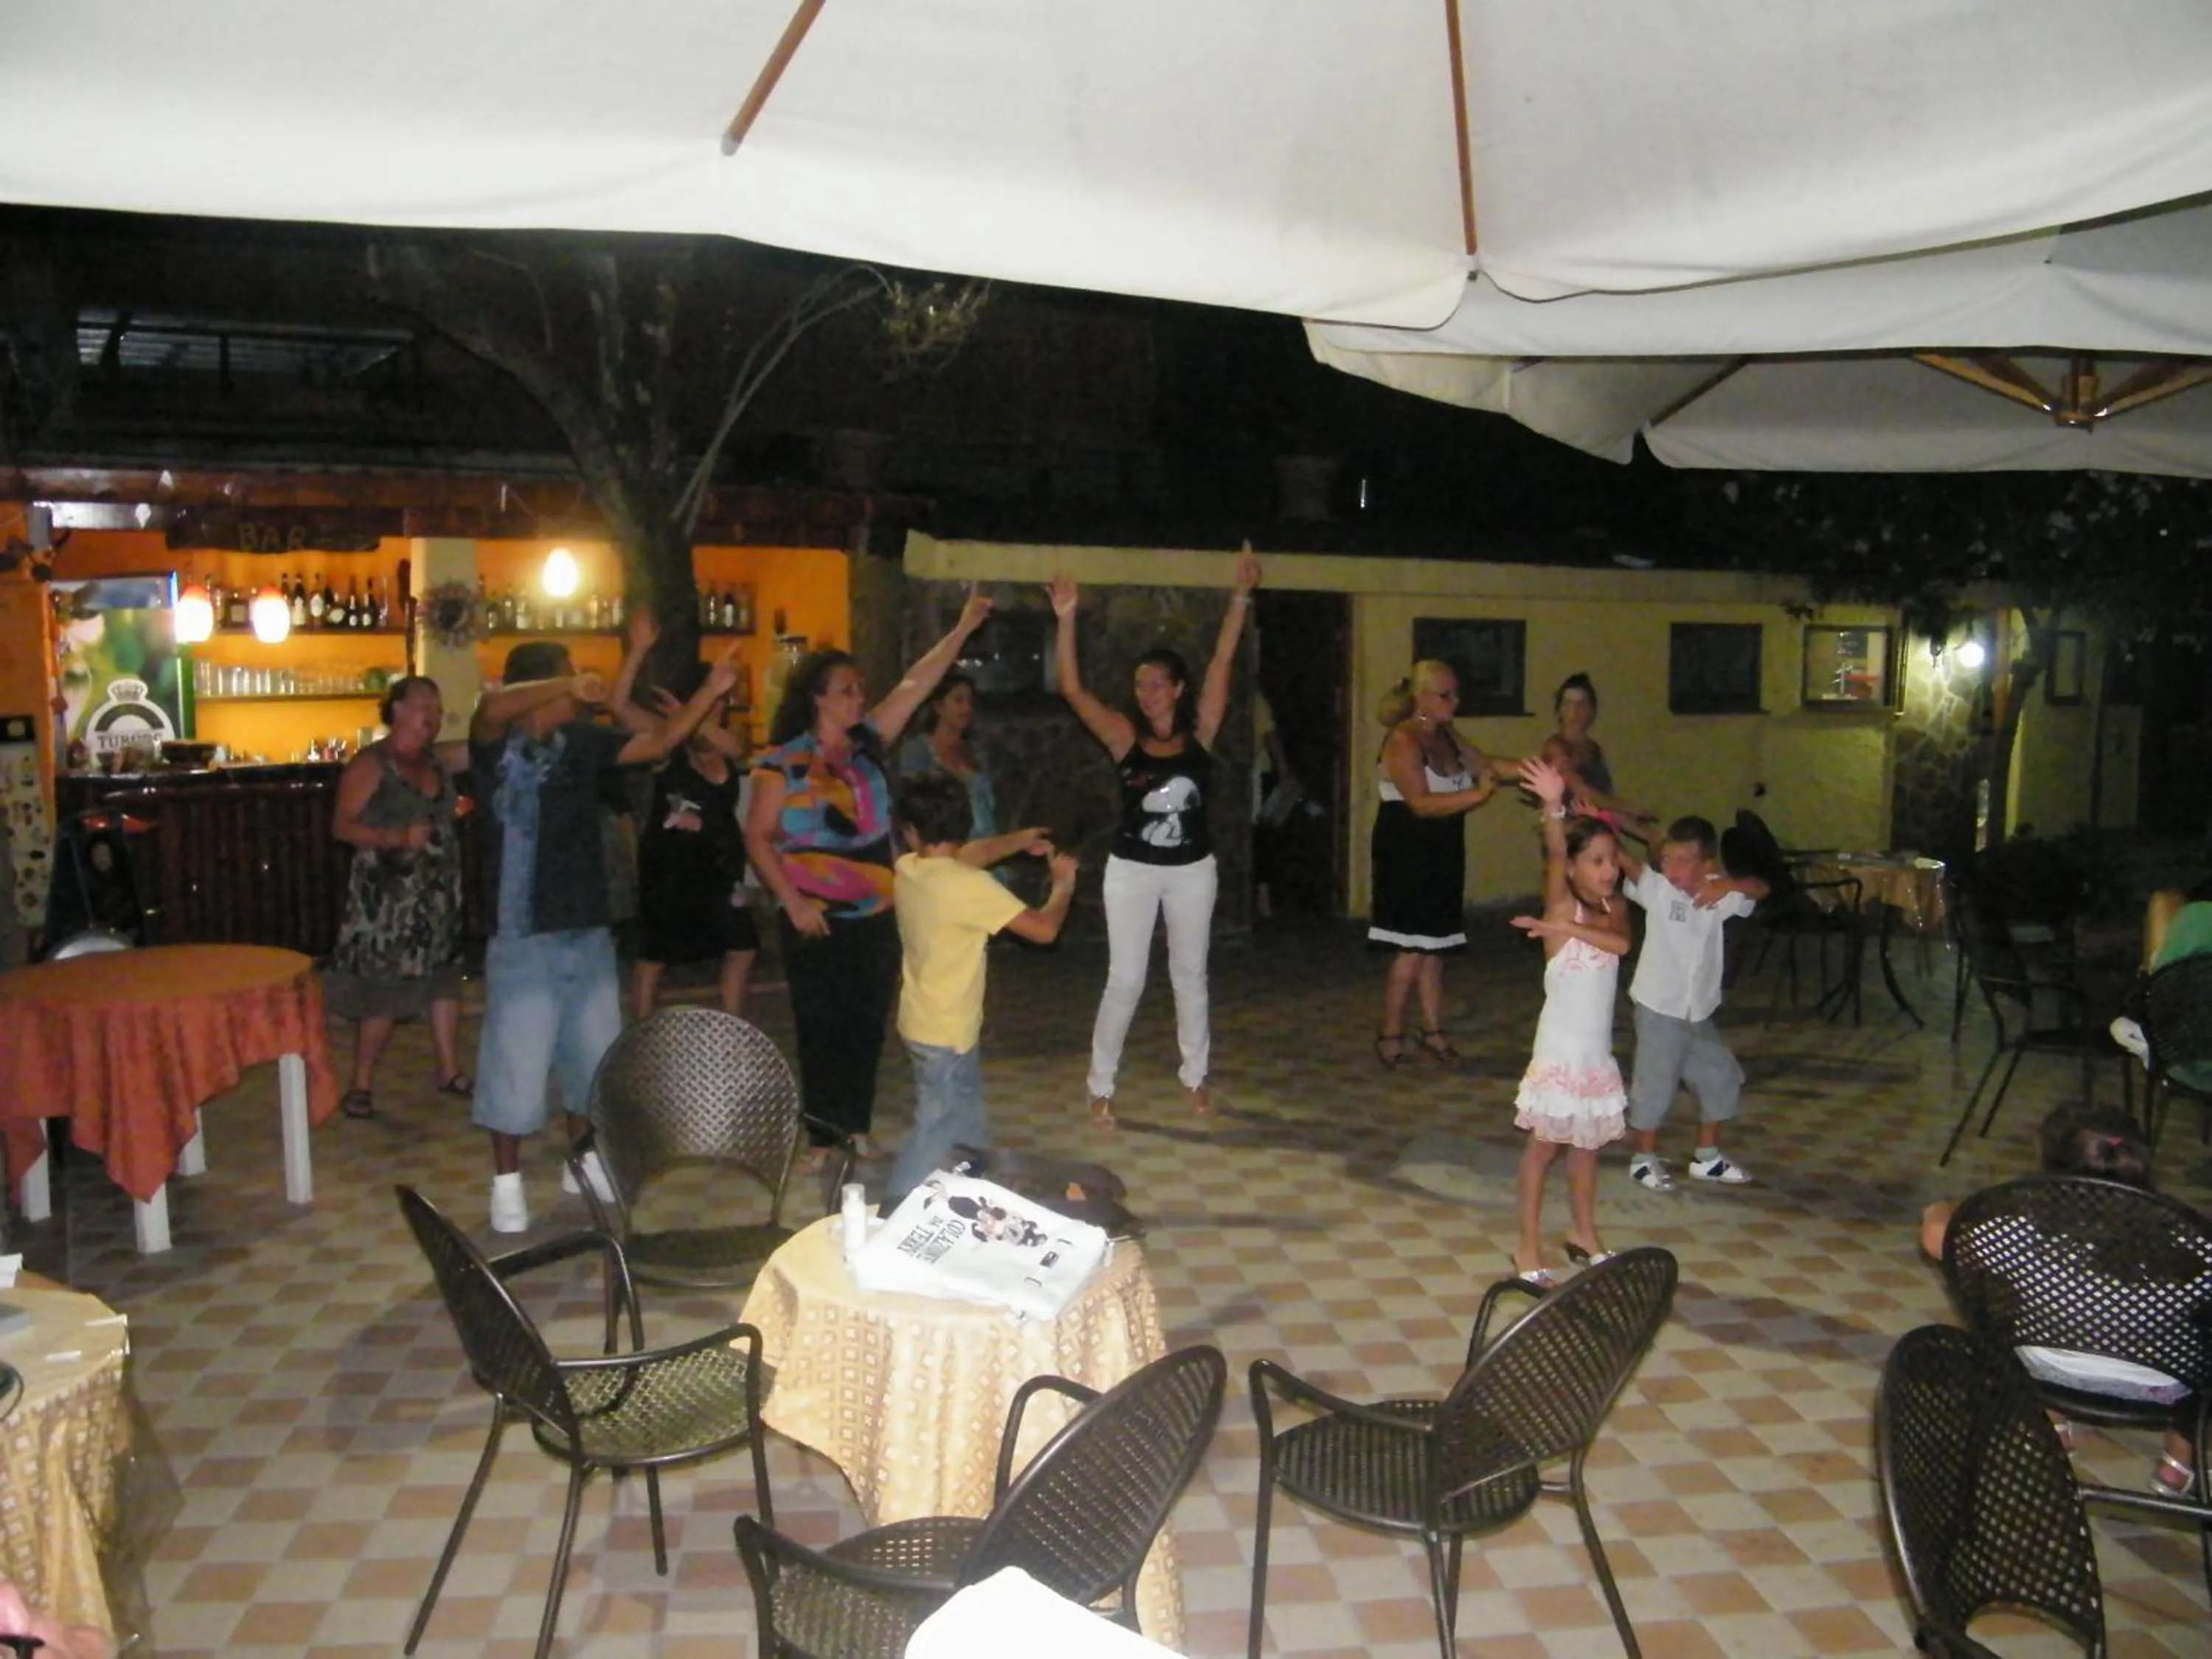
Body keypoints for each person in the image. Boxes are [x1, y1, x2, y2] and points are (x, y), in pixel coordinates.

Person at [469, 626, 741, 1233]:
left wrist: (711, 692)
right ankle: (507, 1187)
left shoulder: (582, 741)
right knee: (514, 1067)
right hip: (523, 934)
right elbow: (491, 707)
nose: (577, 698)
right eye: (563, 683)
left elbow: (660, 741)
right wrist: (570, 682)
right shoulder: (498, 747)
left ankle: (583, 1165)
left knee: (592, 1063)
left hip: (587, 927)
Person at [745, 589, 995, 1170]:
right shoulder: (781, 763)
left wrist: (962, 628)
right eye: (847, 690)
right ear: (817, 699)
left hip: (876, 914)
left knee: (865, 1024)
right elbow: (757, 838)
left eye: (860, 689)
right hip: (813, 915)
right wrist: (793, 902)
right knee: (820, 1025)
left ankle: (854, 1127)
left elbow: (916, 684)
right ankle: (821, 1136)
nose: (859, 697)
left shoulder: (869, 747)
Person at [1048, 544, 1260, 1125]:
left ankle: (1196, 1078)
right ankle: (1101, 1086)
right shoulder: (1124, 736)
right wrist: (1065, 619)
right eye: (1141, 685)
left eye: (1159, 685)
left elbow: (1221, 664)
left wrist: (1240, 597)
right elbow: (1072, 690)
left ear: (1179, 689)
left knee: (1190, 975)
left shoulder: (1201, 732)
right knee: (1126, 978)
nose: (1148, 694)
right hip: (1132, 870)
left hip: (1192, 870)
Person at [1921, 1102, 2200, 1495]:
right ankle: (2178, 1463)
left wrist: (1943, 1208)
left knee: (2031, 1312)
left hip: (2042, 1368)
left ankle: (2053, 1425)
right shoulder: (2188, 1242)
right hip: (2166, 1386)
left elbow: (1937, 1237)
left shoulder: (2019, 1231)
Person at [888, 771, 1077, 1200]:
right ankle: (893, 1213)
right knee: (933, 1131)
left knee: (967, 1124)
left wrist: (1020, 839)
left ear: (910, 830)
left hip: (929, 1023)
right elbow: (1044, 930)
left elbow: (971, 855)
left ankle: (971, 1200)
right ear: (966, 821)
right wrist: (1063, 885)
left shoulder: (909, 869)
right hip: (946, 1033)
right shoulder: (969, 886)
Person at [1508, 758, 1631, 1287]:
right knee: (1543, 1150)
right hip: (1560, 1053)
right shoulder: (1561, 909)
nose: (1609, 871)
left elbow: (1620, 944)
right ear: (1575, 868)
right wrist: (1553, 808)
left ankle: (1583, 1232)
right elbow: (1556, 851)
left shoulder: (1613, 909)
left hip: (1595, 1056)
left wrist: (1573, 932)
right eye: (1597, 861)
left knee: (1587, 1149)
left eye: (1613, 860)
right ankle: (1526, 1243)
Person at [324, 675, 469, 1119]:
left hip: (437, 892)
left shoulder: (438, 761)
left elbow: (482, 746)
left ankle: (448, 1070)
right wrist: (394, 837)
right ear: (398, 710)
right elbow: (341, 826)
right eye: (424, 706)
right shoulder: (372, 764)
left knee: (445, 979)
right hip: (389, 899)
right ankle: (361, 1083)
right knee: (384, 991)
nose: (433, 716)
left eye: (438, 708)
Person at [1366, 660, 1514, 1067]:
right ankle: (1390, 1034)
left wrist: (1536, 770)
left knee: (1435, 946)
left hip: (1441, 848)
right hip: (1408, 852)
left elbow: (1485, 765)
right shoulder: (1403, 740)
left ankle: (1432, 1031)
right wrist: (1478, 796)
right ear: (1421, 697)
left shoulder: (1446, 735)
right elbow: (1420, 803)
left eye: (1455, 693)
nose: (1455, 701)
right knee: (1411, 947)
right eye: (1445, 695)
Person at [1619, 815, 1769, 1192]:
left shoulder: (1719, 895)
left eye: (1683, 861)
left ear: (1706, 865)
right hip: (1659, 1008)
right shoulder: (1658, 891)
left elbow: (1761, 888)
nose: (1672, 870)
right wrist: (1598, 821)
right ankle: (1642, 1160)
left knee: (1721, 1077)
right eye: (1666, 860)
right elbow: (1628, 863)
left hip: (1697, 1011)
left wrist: (1729, 884)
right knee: (1655, 1085)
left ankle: (1707, 1157)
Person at [626, 655, 758, 1020]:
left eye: (722, 700)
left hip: (720, 862)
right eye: (714, 699)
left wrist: (694, 714)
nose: (720, 707)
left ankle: (732, 1028)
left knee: (742, 945)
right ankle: (642, 1032)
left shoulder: (723, 742)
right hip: (672, 866)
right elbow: (619, 708)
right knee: (654, 957)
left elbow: (739, 750)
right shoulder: (665, 743)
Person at [1539, 672, 1657, 841]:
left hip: (1597, 834)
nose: (1574, 711)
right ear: (1559, 710)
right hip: (1570, 836)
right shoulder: (1556, 747)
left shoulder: (1593, 749)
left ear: (1592, 710)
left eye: (1582, 704)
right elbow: (1584, 793)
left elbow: (1606, 805)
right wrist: (1630, 807)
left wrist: (1650, 835)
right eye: (1568, 704)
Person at [897, 671, 1001, 846]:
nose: (967, 708)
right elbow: (913, 806)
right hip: (945, 846)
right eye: (959, 701)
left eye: (970, 702)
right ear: (939, 707)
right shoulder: (918, 750)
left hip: (988, 842)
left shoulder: (976, 750)